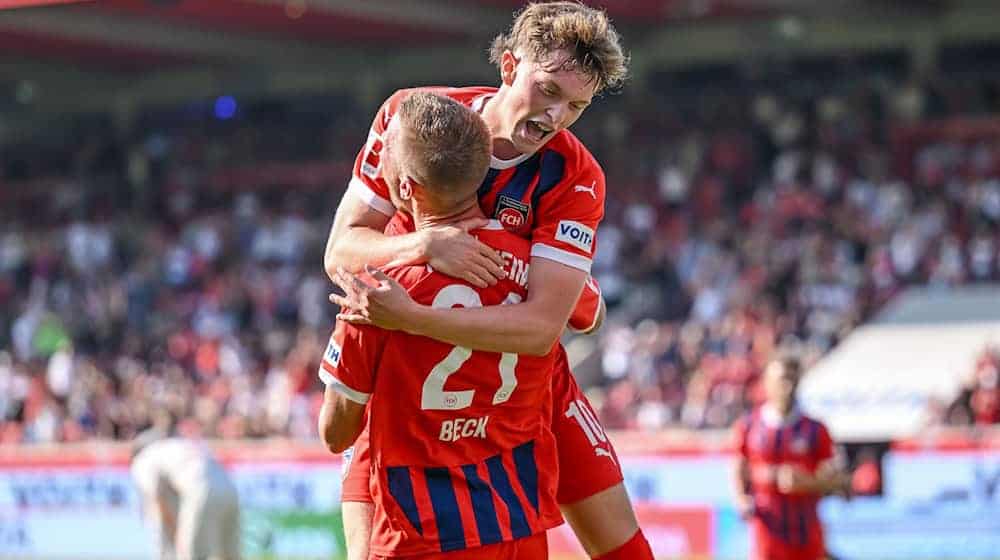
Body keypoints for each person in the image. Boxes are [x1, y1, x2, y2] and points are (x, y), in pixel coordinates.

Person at [324, 4, 652, 559]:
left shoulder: (574, 174)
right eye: (548, 90)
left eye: (576, 105)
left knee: (624, 549)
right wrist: (423, 245)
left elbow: (543, 327)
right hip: (403, 381)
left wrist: (417, 307)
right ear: (508, 66)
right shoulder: (414, 120)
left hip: (524, 383)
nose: (556, 116)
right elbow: (340, 251)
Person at [319, 91, 561, 559]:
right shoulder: (538, 271)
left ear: (406, 187)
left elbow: (335, 434)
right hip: (518, 522)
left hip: (418, 531)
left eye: (385, 152)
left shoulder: (378, 291)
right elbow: (586, 311)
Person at [732, 355, 850, 560]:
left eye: (791, 380)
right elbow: (739, 468)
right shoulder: (748, 426)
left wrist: (807, 483)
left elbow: (841, 483)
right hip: (767, 532)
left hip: (806, 532)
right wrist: (742, 499)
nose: (786, 386)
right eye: (781, 380)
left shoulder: (816, 429)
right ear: (767, 384)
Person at [130, 431, 241, 560]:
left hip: (200, 489)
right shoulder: (177, 445)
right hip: (229, 487)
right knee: (229, 555)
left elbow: (157, 499)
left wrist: (175, 532)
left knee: (194, 554)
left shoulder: (144, 458)